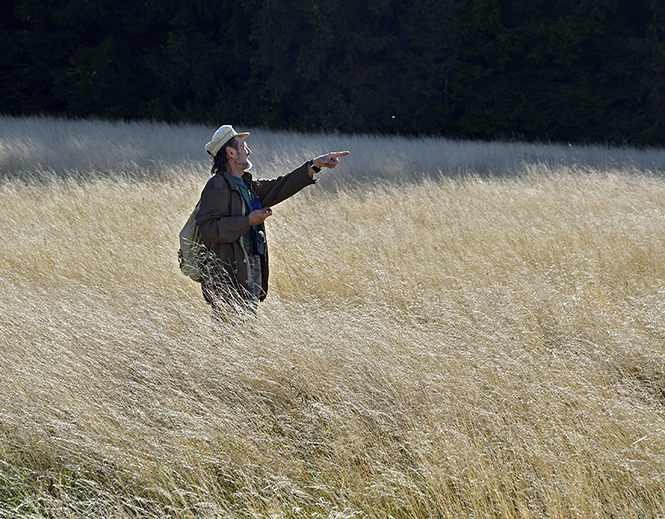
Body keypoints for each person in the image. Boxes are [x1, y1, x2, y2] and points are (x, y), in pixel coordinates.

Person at [196, 124, 349, 321]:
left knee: (245, 331)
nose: (249, 152)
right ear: (231, 152)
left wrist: (315, 165)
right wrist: (248, 222)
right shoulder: (217, 185)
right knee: (228, 333)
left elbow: (281, 186)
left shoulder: (248, 185)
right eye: (244, 147)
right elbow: (207, 227)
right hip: (229, 274)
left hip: (247, 267)